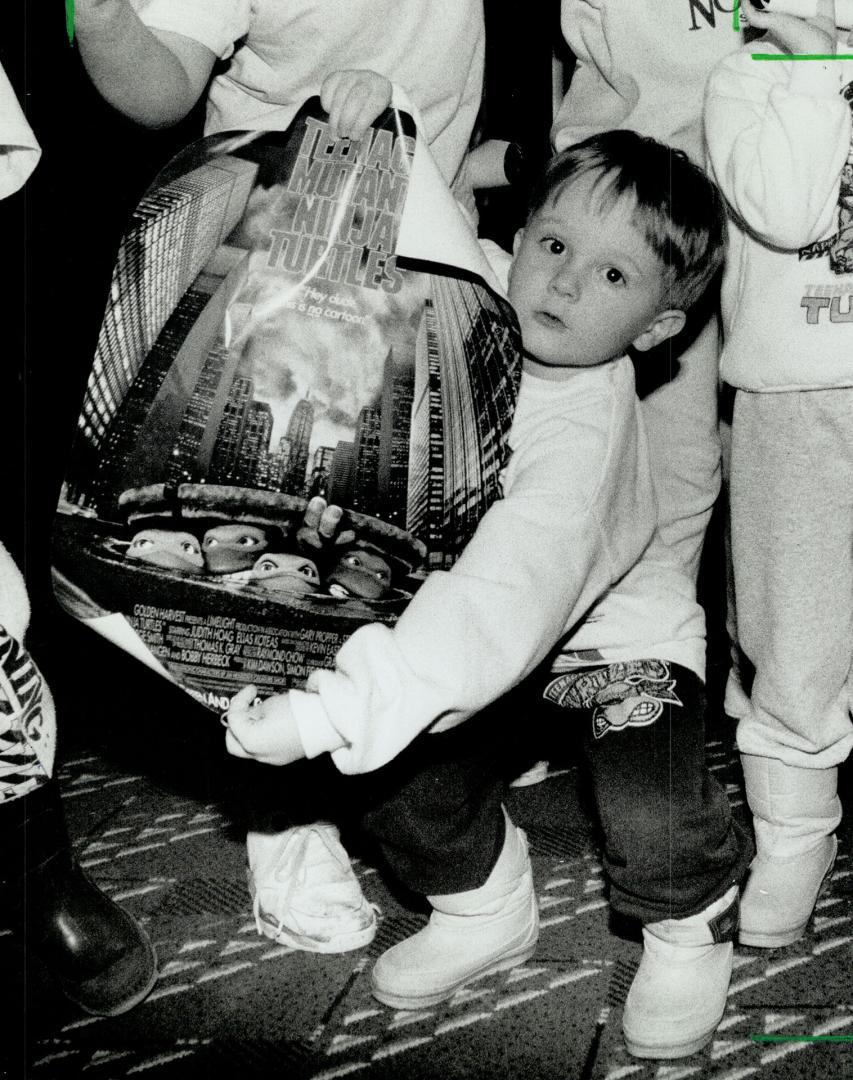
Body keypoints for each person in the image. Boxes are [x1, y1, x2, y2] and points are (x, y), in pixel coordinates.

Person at [224, 130, 752, 1060]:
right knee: (396, 778)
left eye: (613, 277)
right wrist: (376, 118)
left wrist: (335, 709)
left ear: (657, 329)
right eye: (552, 247)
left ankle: (688, 917)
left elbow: (507, 595)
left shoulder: (580, 434)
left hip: (607, 637)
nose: (562, 283)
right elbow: (420, 228)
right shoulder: (489, 294)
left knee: (649, 808)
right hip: (486, 630)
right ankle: (483, 905)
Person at [73, 0, 489, 951]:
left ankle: (412, 764)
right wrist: (98, 13)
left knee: (404, 535)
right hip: (280, 251)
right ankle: (280, 818)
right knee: (256, 553)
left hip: (431, 234)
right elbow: (159, 87)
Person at [704, 0, 853, 950]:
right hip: (796, 393)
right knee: (791, 630)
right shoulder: (744, 81)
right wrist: (812, 63)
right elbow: (790, 212)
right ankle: (795, 834)